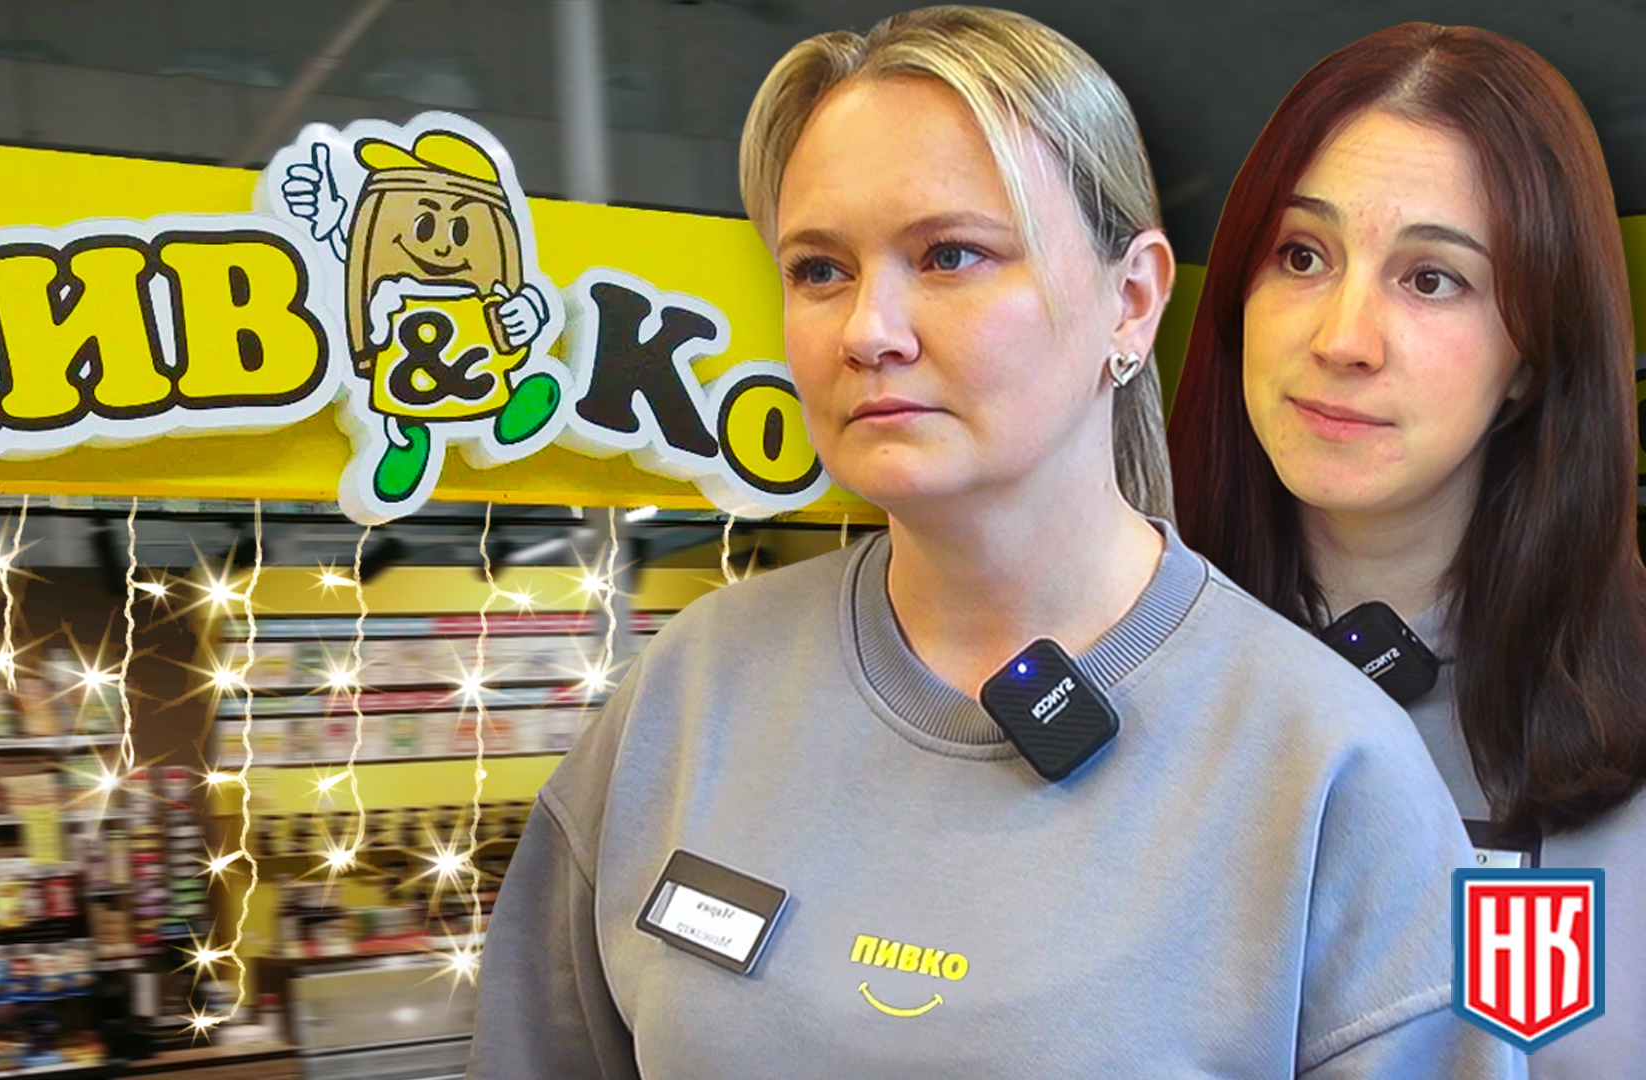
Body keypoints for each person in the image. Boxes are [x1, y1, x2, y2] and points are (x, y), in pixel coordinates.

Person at [470, 8, 1519, 1077]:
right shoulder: (690, 694)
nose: (868, 330)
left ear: (1132, 300)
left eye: (950, 255)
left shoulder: (1329, 768)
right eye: (819, 270)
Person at [1167, 23, 1646, 1074]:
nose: (1342, 338)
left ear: (1534, 353)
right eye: (1301, 256)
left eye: (1431, 279)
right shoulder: (1105, 668)